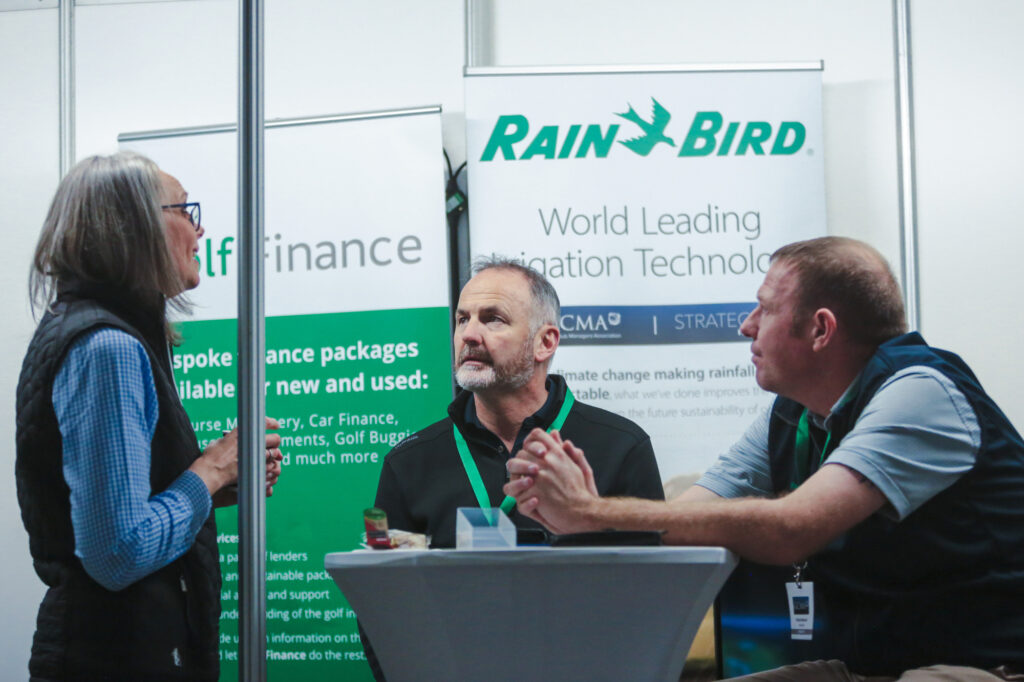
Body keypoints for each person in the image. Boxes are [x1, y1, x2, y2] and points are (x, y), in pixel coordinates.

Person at [505, 237, 1024, 680]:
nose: (747, 326)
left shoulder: (922, 393)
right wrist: (580, 518)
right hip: (874, 665)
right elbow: (689, 518)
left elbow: (792, 528)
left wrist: (592, 510)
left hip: (988, 666)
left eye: (765, 309)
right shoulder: (792, 413)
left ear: (820, 329)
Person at [15, 152, 283, 681]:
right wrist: (210, 470)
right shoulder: (108, 347)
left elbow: (113, 521)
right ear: (133, 226)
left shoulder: (108, 334)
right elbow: (118, 554)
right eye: (184, 209)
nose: (200, 229)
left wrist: (215, 484)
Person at [373, 256, 664, 549]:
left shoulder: (623, 447)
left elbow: (649, 574)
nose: (469, 335)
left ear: (545, 343)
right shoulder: (408, 462)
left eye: (493, 319)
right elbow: (386, 575)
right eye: (463, 320)